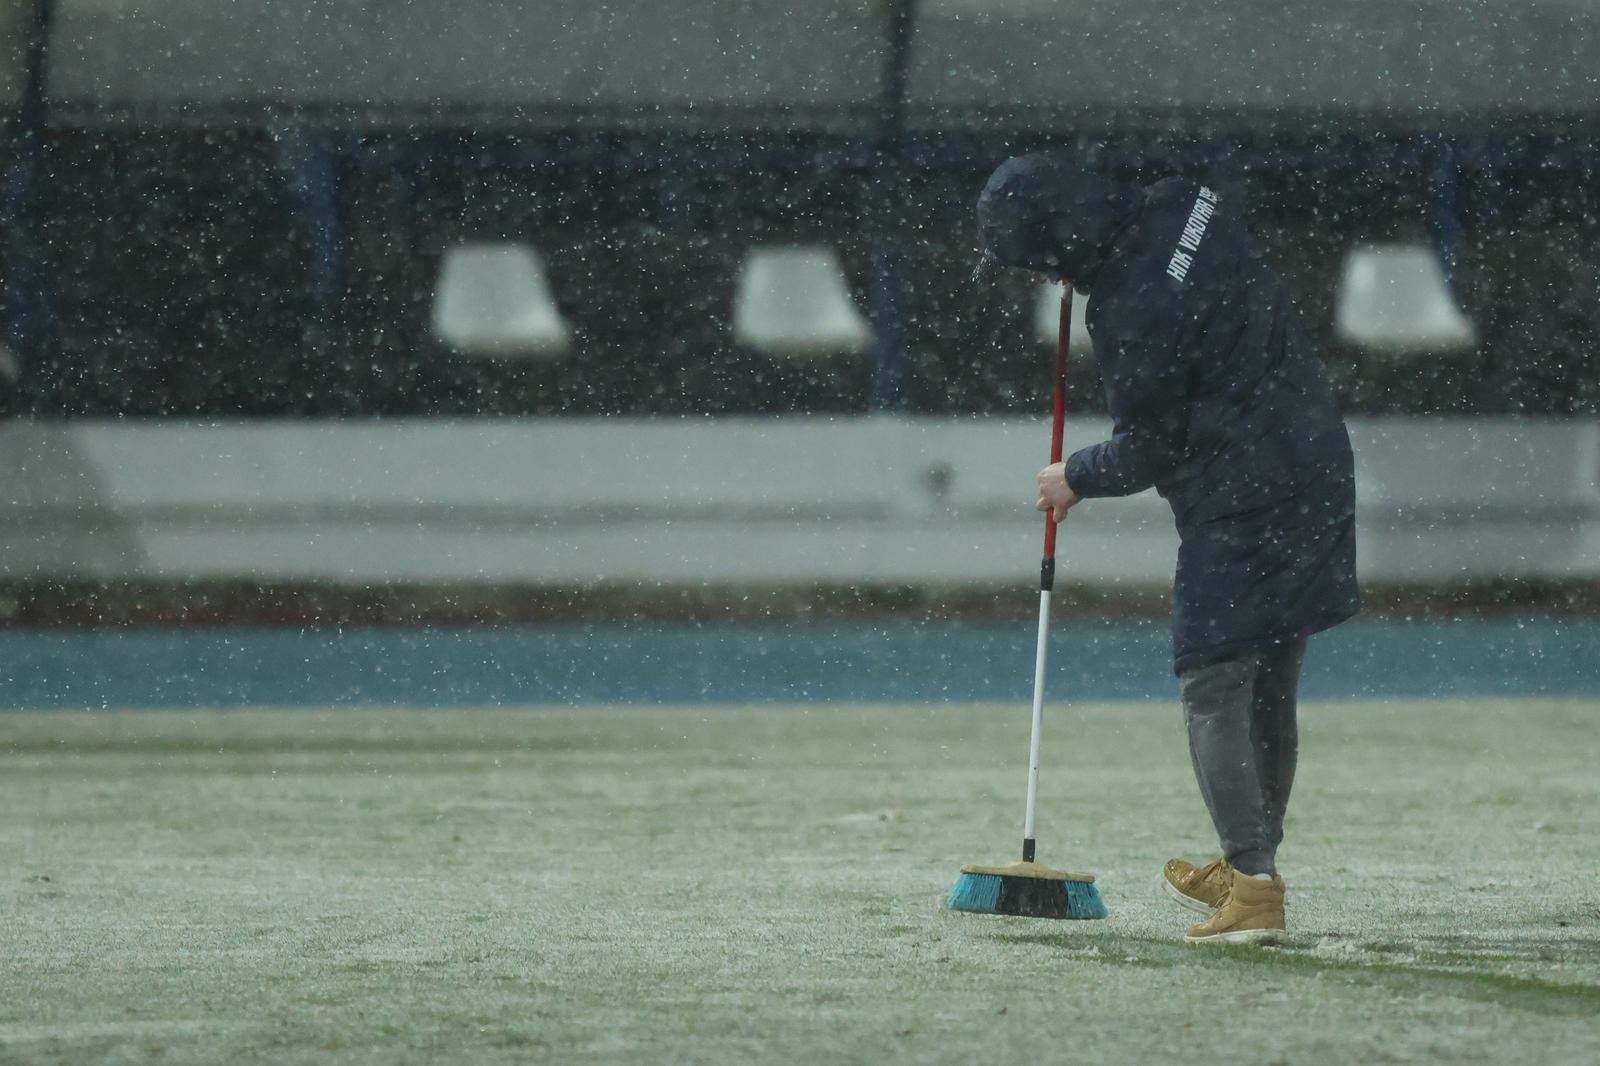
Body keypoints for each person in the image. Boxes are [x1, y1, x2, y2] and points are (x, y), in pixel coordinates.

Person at [974, 153, 1359, 944]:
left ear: (1058, 242)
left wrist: (1074, 476)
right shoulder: (1185, 201)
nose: (1049, 279)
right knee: (1269, 680)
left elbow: (1151, 448)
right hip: (1316, 462)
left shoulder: (1129, 309)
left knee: (1213, 680)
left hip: (1245, 498)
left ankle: (1254, 888)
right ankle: (1254, 866)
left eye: (1041, 263)